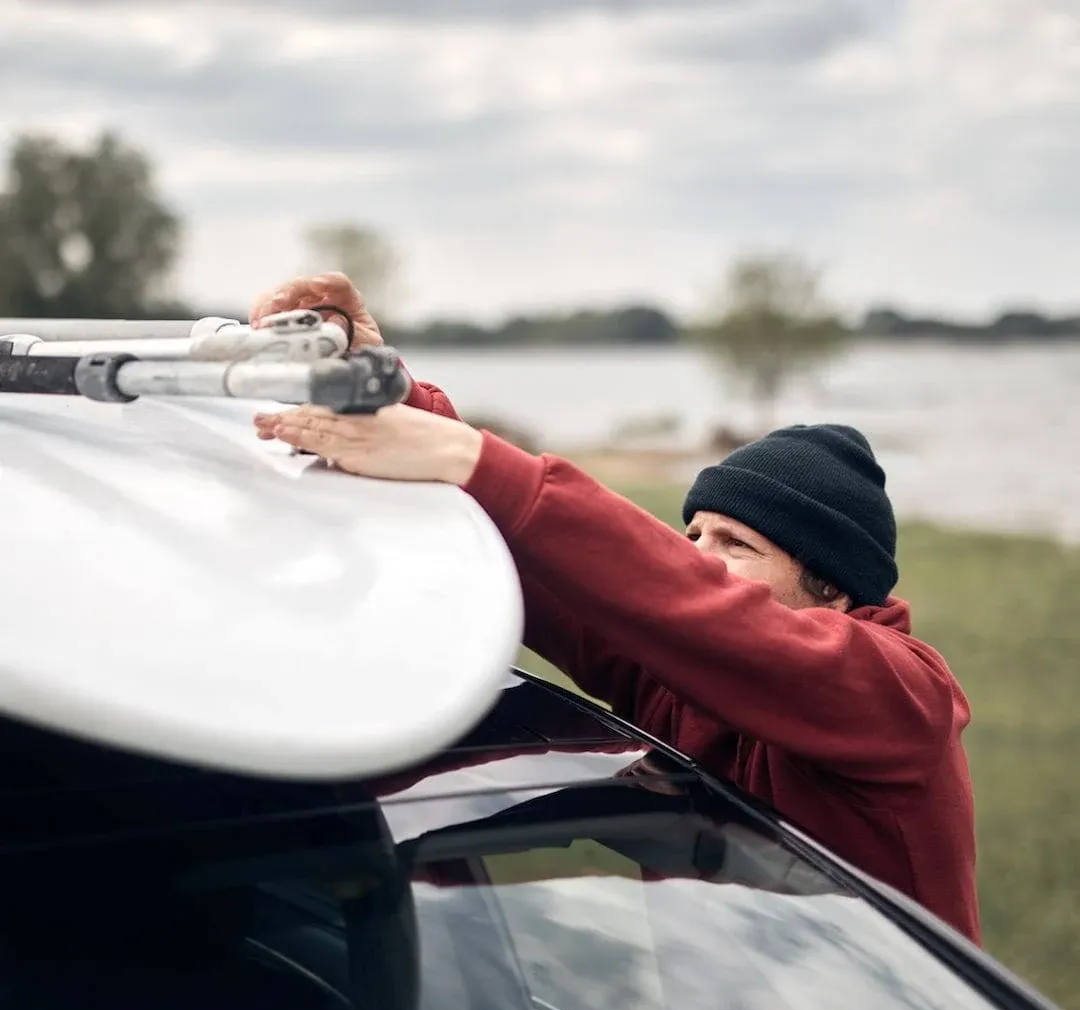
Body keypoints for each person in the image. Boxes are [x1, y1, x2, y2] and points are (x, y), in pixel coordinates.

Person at [248, 273, 980, 944]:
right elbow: (577, 582)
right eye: (692, 532)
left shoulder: (899, 701)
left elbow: (703, 612)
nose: (696, 556)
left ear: (837, 592)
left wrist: (474, 458)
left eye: (736, 544)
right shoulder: (686, 683)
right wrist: (399, 403)